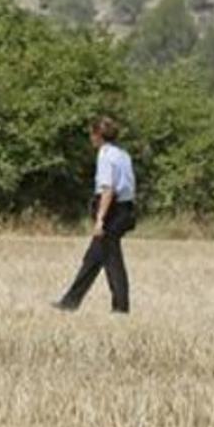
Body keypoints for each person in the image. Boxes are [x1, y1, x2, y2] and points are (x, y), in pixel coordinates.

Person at [53, 117, 136, 313]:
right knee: (93, 258)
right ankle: (70, 301)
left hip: (112, 211)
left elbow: (108, 189)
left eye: (92, 134)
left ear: (98, 135)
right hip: (126, 208)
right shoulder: (123, 154)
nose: (91, 138)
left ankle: (120, 307)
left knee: (112, 259)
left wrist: (100, 219)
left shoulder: (105, 155)